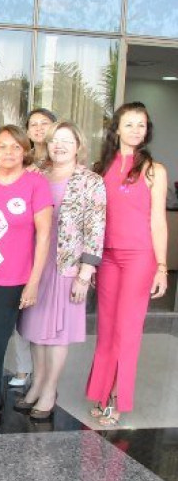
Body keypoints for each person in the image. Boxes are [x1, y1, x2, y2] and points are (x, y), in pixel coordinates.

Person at [15, 121, 106, 420]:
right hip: (36, 264)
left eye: (67, 140)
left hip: (68, 266)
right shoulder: (36, 175)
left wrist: (85, 273)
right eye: (55, 140)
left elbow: (96, 228)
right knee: (35, 329)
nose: (60, 146)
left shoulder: (90, 181)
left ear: (78, 145)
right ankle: (38, 383)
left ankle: (50, 389)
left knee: (58, 332)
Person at [0, 125, 52, 433]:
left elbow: (44, 237)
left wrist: (33, 281)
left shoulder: (35, 184)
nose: (9, 152)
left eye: (16, 147)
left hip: (12, 278)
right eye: (2, 147)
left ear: (25, 150)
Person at [87, 102, 168, 426]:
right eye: (129, 124)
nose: (136, 130)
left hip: (139, 257)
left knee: (128, 329)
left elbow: (158, 221)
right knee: (106, 327)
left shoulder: (153, 170)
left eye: (141, 125)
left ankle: (119, 399)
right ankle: (101, 392)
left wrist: (162, 266)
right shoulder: (101, 166)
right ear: (116, 128)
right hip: (107, 256)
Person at [4, 107, 59, 389]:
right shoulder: (20, 162)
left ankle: (46, 377)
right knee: (20, 314)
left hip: (54, 249)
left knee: (45, 317)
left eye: (45, 123)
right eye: (33, 124)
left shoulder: (61, 160)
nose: (39, 128)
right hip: (22, 248)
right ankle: (24, 369)